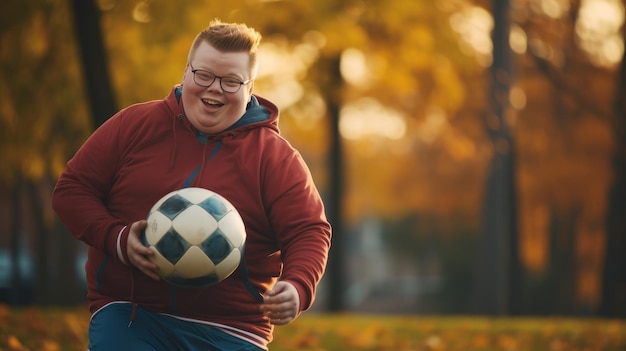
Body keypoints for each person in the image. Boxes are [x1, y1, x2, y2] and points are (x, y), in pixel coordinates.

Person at [52, 19, 332, 351]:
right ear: (186, 73)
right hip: (131, 312)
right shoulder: (133, 126)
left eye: (230, 81)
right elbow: (72, 190)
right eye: (204, 75)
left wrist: (298, 287)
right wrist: (118, 238)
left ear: (250, 88)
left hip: (234, 326)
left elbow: (308, 231)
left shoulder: (276, 158)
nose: (214, 89)